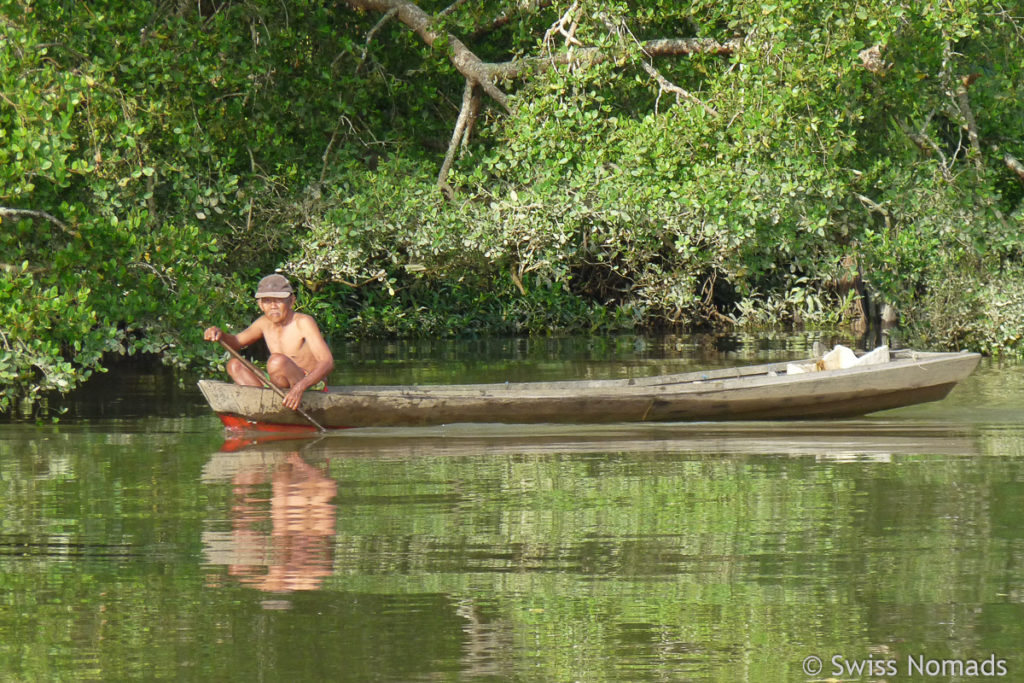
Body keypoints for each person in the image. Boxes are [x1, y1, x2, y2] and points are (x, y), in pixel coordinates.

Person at [204, 273, 335, 411]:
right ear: (261, 305)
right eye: (267, 301)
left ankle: (281, 403)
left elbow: (327, 362)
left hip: (308, 386)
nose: (273, 306)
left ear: (291, 301)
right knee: (234, 365)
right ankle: (260, 408)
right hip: (278, 384)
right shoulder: (263, 323)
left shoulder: (303, 322)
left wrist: (299, 388)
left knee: (276, 362)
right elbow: (236, 342)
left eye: (279, 300)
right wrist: (220, 335)